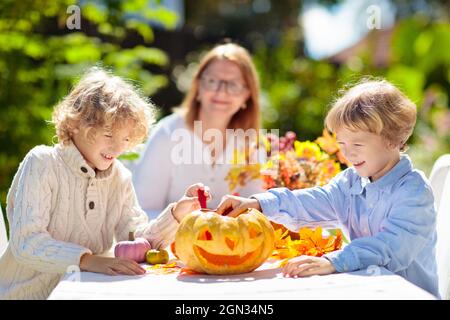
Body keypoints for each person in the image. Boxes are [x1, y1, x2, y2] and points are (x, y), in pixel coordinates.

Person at [0, 67, 210, 300]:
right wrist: (88, 260)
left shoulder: (119, 177)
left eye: (126, 138)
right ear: (75, 125)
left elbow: (135, 242)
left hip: (88, 293)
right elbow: (27, 243)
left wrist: (176, 214)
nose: (118, 148)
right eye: (109, 135)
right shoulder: (43, 163)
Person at [216, 79, 439, 297]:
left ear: (392, 139)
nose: (348, 154)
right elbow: (314, 201)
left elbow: (391, 246)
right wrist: (260, 204)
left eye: (358, 144)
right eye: (342, 144)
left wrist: (334, 261)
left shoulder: (413, 192)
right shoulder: (350, 182)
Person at [132, 42, 265, 219]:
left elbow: (253, 213)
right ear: (198, 87)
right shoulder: (168, 134)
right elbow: (140, 212)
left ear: (247, 95)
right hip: (168, 243)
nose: (221, 92)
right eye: (212, 81)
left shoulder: (252, 144)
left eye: (232, 84)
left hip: (234, 243)